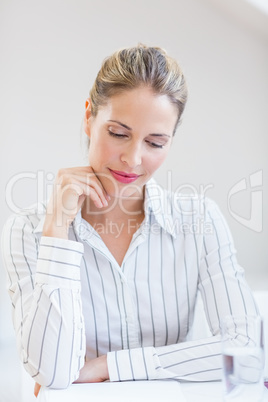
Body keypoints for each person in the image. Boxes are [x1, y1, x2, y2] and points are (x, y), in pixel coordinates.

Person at [1, 44, 258, 395]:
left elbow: (245, 353)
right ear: (89, 117)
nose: (133, 159)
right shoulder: (29, 232)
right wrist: (57, 227)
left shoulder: (199, 221)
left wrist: (111, 365)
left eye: (155, 142)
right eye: (119, 134)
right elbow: (54, 373)